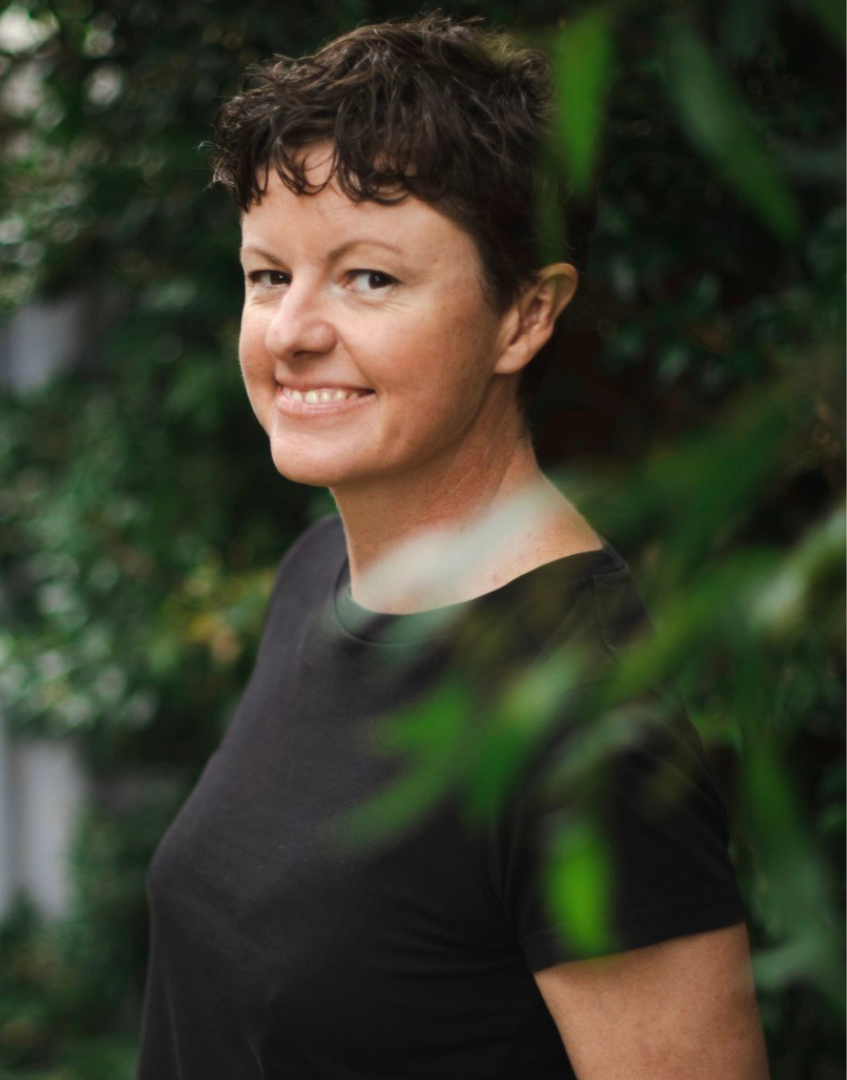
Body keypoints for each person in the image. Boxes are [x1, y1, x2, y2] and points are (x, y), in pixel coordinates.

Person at [137, 14, 770, 1079]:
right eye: (268, 274)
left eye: (369, 278)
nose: (292, 331)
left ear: (525, 315)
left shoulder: (585, 724)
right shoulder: (317, 578)